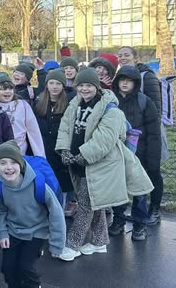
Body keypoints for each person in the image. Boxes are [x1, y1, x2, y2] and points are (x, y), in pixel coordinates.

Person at [55, 69, 154, 261]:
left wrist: (82, 156)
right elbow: (65, 128)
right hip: (78, 162)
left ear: (97, 87)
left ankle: (73, 245)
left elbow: (104, 140)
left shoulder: (112, 110)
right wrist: (65, 150)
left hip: (99, 165)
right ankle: (99, 241)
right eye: (81, 85)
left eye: (89, 85)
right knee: (95, 202)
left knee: (85, 204)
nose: (84, 89)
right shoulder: (74, 105)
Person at [0, 141, 66, 288]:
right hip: (14, 230)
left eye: (13, 162)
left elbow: (56, 213)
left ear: (21, 164)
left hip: (37, 230)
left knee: (25, 267)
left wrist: (57, 244)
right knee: (8, 268)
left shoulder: (38, 185)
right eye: (3, 163)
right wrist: (2, 233)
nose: (9, 167)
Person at [110, 65, 161, 240]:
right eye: (122, 80)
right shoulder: (110, 101)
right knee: (118, 190)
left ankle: (140, 224)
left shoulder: (144, 102)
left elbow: (154, 133)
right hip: (116, 154)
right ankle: (119, 219)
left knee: (139, 192)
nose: (124, 83)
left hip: (139, 155)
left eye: (129, 80)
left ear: (135, 83)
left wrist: (153, 160)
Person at [117, 45, 164, 225]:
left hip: (146, 132)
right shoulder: (120, 78)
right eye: (120, 55)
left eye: (126, 55)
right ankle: (135, 212)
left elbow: (156, 108)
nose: (122, 58)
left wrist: (146, 136)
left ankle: (155, 209)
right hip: (129, 135)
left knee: (152, 171)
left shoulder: (147, 76)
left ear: (136, 57)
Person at [33, 69, 77, 217]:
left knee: (61, 184)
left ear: (63, 85)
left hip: (60, 151)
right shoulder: (39, 103)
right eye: (51, 83)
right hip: (43, 150)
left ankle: (59, 214)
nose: (54, 86)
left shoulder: (69, 104)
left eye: (58, 83)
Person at [0, 73, 45, 157]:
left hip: (20, 153)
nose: (7, 92)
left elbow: (34, 131)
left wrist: (40, 156)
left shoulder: (22, 105)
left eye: (10, 89)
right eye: (3, 89)